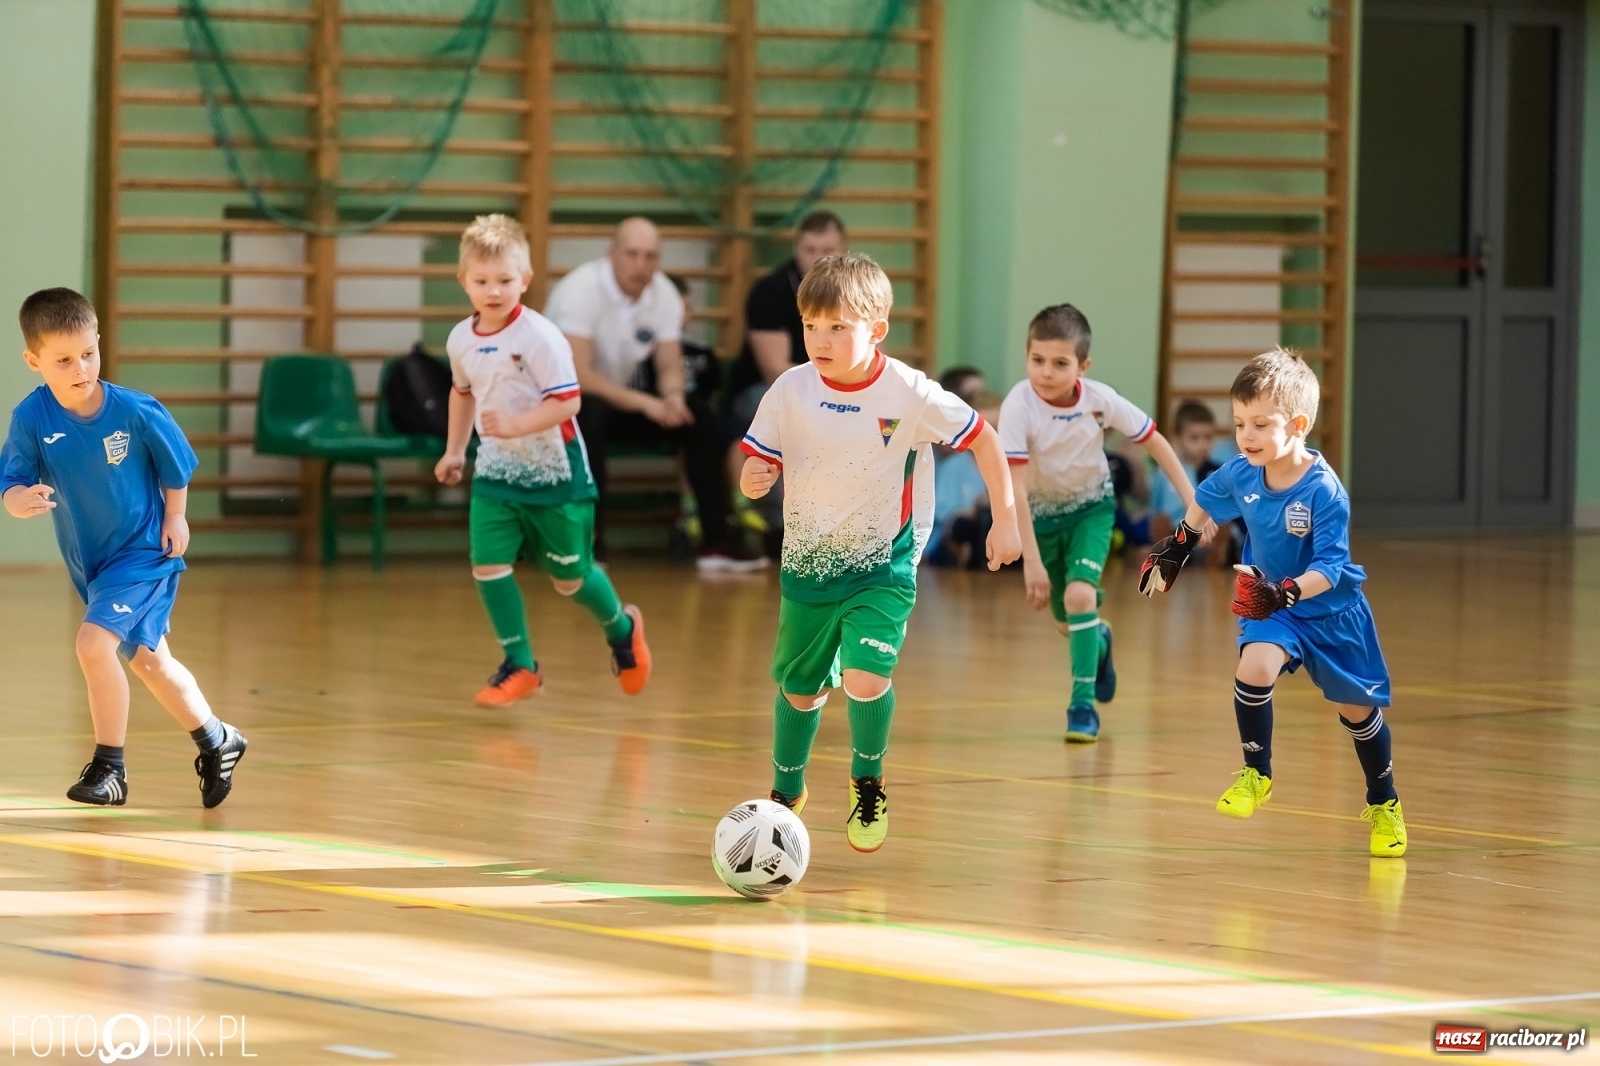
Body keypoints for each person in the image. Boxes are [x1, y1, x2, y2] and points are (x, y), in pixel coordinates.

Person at [738, 253, 1022, 853]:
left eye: (838, 327)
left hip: (883, 567)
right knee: (800, 690)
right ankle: (786, 790)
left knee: (867, 678)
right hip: (808, 569)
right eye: (812, 326)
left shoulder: (910, 393)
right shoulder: (789, 390)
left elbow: (986, 440)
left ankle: (868, 783)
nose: (821, 339)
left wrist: (1005, 520)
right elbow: (758, 461)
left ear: (877, 330)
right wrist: (753, 479)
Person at [1138, 348, 1406, 858]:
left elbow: (1329, 569)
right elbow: (1205, 498)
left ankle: (1383, 800)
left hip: (1329, 611)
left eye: (1261, 424)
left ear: (1298, 425)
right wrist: (1178, 545)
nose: (1247, 436)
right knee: (1253, 668)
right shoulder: (1242, 473)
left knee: (1358, 714)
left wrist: (1284, 591)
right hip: (1274, 606)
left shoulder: (1326, 492)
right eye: (1240, 423)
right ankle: (1255, 773)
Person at [0, 287, 247, 807]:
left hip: (144, 552)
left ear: (98, 343)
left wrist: (176, 515)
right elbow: (13, 483)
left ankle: (109, 767)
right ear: (33, 360)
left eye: (88, 353)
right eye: (63, 359)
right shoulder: (32, 419)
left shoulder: (134, 410)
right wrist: (20, 499)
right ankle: (217, 738)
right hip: (93, 563)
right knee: (151, 663)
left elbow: (175, 464)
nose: (80, 367)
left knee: (93, 646)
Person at [435, 214, 652, 707]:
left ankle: (621, 628)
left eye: (505, 281)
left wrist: (515, 425)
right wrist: (454, 450)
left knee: (570, 579)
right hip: (496, 474)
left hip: (556, 475)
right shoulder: (460, 339)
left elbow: (568, 402)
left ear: (525, 281)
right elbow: (462, 392)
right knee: (488, 565)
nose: (493, 291)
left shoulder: (540, 337)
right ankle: (521, 665)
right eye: (482, 281)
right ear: (464, 282)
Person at [1000, 303, 1197, 744]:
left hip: (1092, 511)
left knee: (1079, 594)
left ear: (1083, 367)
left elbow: (1155, 442)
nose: (1046, 372)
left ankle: (1081, 707)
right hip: (1042, 522)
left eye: (1060, 363)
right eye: (1037, 360)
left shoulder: (1099, 400)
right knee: (1070, 622)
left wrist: (1192, 503)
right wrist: (1030, 561)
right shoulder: (1018, 407)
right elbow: (1015, 489)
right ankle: (1100, 643)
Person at [544, 217, 759, 572]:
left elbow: (669, 366)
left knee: (699, 417)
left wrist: (673, 397)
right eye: (632, 254)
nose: (641, 266)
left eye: (650, 256)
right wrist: (649, 404)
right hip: (561, 403)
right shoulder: (579, 290)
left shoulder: (663, 295)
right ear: (611, 254)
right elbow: (578, 376)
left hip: (621, 397)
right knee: (588, 415)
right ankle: (588, 544)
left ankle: (717, 542)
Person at [926, 366, 993, 568]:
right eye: (972, 396)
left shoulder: (989, 456)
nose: (977, 402)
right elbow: (941, 513)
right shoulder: (940, 457)